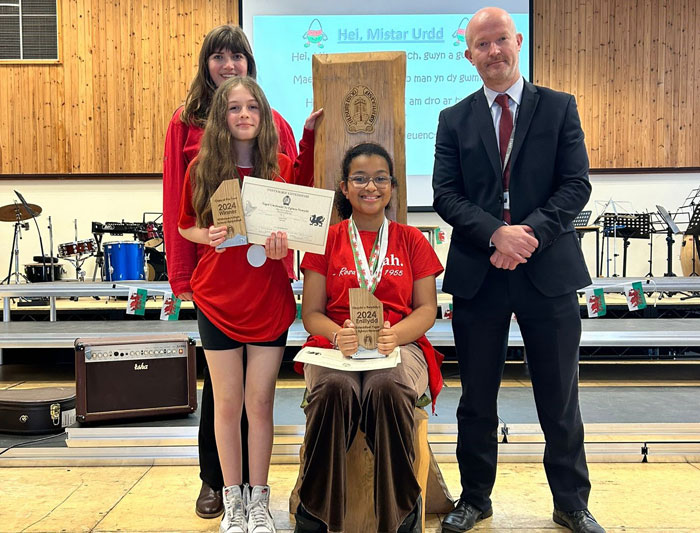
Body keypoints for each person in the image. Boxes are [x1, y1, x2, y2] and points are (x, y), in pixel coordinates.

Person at [432, 7, 604, 533]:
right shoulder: (453, 119)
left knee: (559, 396)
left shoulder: (559, 107)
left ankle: (571, 503)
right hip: (480, 272)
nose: (494, 52)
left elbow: (576, 184)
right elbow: (445, 194)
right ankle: (475, 499)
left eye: (501, 40)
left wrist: (526, 235)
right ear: (469, 55)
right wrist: (495, 234)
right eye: (482, 45)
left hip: (546, 269)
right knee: (476, 399)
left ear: (518, 41)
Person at [162, 24, 317, 520]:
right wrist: (199, 244)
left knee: (260, 403)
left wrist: (285, 246)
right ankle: (230, 497)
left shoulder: (280, 162)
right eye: (233, 108)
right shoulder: (199, 161)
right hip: (218, 296)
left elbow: (304, 202)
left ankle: (258, 500)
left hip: (266, 296)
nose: (243, 114)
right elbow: (183, 220)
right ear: (220, 117)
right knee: (224, 403)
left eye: (251, 107)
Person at [295, 143, 444, 533]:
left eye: (380, 179)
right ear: (345, 187)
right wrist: (336, 334)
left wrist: (395, 335)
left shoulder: (411, 240)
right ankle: (314, 518)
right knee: (333, 391)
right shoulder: (326, 240)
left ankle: (401, 517)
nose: (370, 187)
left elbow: (426, 310)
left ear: (392, 187)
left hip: (398, 346)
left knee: (387, 389)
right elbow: (311, 314)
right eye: (359, 179)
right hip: (336, 348)